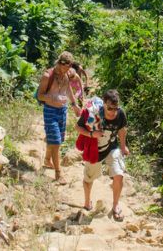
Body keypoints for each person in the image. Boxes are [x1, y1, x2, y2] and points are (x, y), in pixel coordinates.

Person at [75, 89, 129, 221]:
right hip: (95, 150)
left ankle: (115, 206)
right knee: (89, 179)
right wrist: (92, 134)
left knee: (119, 174)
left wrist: (123, 146)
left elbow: (122, 130)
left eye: (115, 108)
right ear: (104, 104)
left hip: (111, 146)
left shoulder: (120, 114)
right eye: (110, 108)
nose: (113, 112)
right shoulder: (93, 113)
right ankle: (87, 202)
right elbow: (78, 127)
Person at [38, 51, 81, 183]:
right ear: (59, 63)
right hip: (50, 110)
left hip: (62, 110)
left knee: (58, 139)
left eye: (68, 68)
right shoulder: (47, 76)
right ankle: (58, 173)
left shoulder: (68, 73)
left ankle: (46, 160)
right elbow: (40, 95)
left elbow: (68, 89)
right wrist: (52, 97)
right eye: (63, 68)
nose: (65, 71)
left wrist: (74, 104)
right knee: (56, 142)